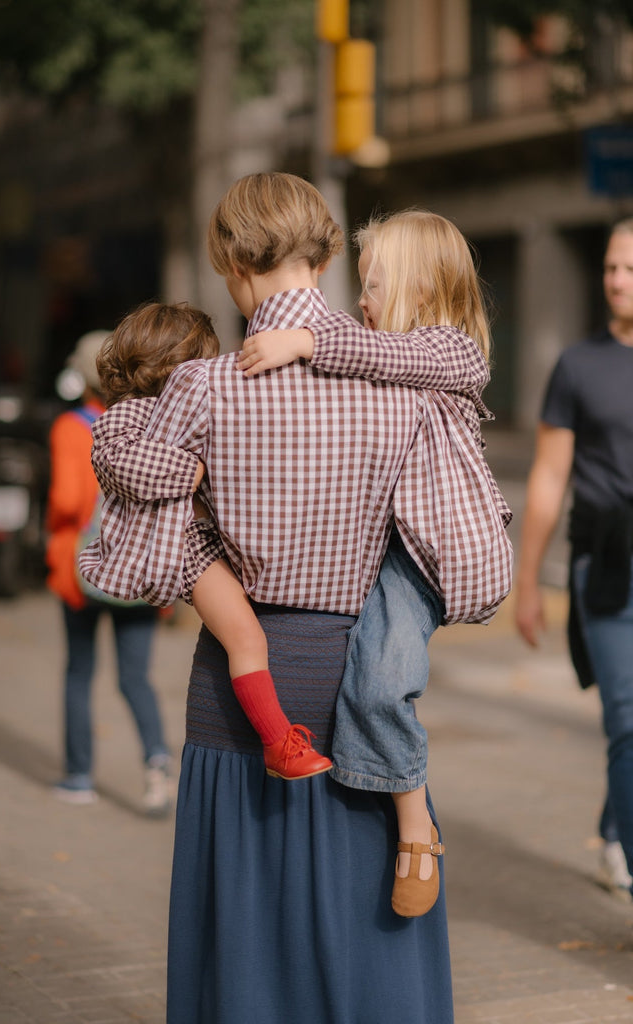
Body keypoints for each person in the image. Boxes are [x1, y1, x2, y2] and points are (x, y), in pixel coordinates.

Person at [83, 172, 511, 1024]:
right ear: (323, 256)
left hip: (238, 696)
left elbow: (130, 566)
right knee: (365, 931)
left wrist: (170, 494)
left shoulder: (201, 388)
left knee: (247, 934)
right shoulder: (404, 384)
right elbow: (452, 539)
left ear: (234, 262)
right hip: (360, 688)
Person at [236, 208, 512, 916]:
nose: (360, 301)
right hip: (385, 539)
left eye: (374, 285)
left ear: (420, 289)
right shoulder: (371, 352)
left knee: (382, 681)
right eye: (358, 284)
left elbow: (392, 357)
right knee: (361, 670)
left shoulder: (454, 352)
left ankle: (415, 825)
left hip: (427, 553)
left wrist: (305, 338)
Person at [94, 300, 332, 780]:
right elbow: (123, 466)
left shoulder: (191, 407)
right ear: (176, 367)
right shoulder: (124, 417)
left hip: (210, 538)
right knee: (246, 637)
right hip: (185, 548)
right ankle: (278, 744)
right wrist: (191, 468)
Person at [515, 217, 633, 901]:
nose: (616, 279)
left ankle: (615, 830)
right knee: (628, 718)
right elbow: (550, 477)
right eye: (611, 266)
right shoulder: (578, 366)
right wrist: (528, 579)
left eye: (630, 268)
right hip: (605, 565)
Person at [45, 330, 173, 814]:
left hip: (82, 567)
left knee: (79, 673)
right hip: (138, 571)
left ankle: (79, 777)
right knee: (135, 678)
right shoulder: (155, 424)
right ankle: (157, 767)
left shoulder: (72, 427)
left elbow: (66, 500)